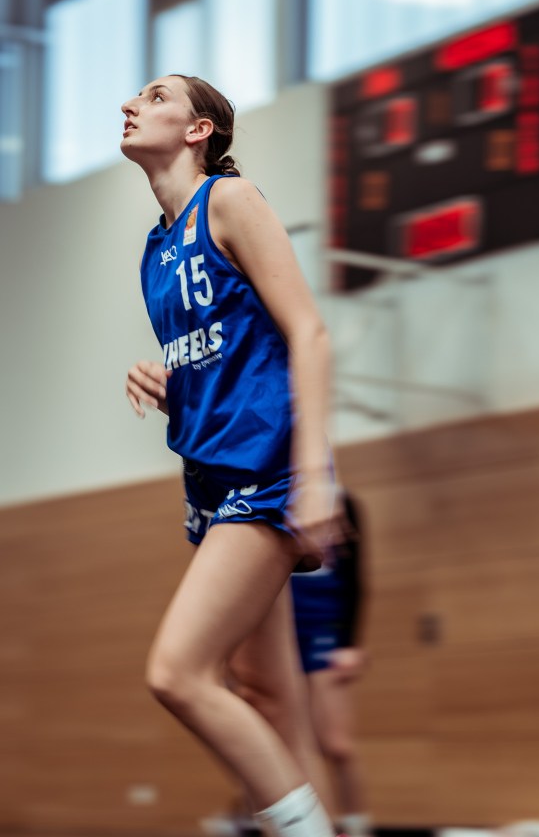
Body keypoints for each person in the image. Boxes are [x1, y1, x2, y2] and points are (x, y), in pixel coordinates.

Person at [122, 74, 338, 837]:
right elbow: (227, 360)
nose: (130, 105)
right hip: (210, 482)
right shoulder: (156, 250)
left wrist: (314, 476)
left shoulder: (229, 200)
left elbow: (308, 332)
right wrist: (170, 385)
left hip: (266, 470)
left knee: (177, 674)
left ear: (199, 130)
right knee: (270, 697)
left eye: (154, 96)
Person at [290, 489, 371, 837]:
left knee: (336, 744)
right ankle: (317, 827)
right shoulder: (274, 500)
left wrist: (351, 643)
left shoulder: (343, 504)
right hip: (285, 635)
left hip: (324, 633)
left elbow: (357, 578)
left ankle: (357, 825)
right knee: (292, 743)